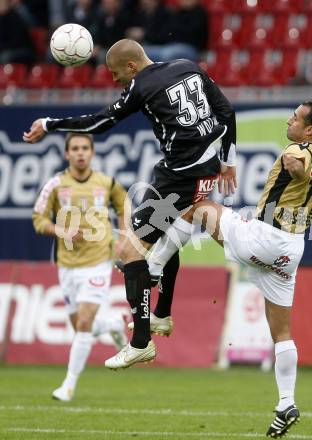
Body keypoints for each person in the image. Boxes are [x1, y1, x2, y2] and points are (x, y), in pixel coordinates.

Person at [144, 72, 312, 438]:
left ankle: (154, 266)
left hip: (265, 236)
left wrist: (297, 168)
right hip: (293, 249)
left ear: (309, 131)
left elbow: (298, 166)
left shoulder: (294, 151)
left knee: (201, 206)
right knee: (282, 332)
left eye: (297, 118)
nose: (290, 120)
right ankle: (286, 401)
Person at [23, 38, 237, 371]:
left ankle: (140, 343)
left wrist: (51, 124)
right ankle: (162, 315)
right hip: (202, 168)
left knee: (128, 251)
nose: (113, 80)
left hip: (180, 177)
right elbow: (225, 111)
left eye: (115, 72)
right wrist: (229, 160)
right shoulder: (187, 65)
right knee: (171, 235)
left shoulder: (142, 85)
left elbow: (101, 123)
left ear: (132, 66)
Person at [32, 132, 128, 401]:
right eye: (74, 148)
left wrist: (123, 238)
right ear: (67, 154)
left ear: (92, 152)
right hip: (67, 265)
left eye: (85, 148)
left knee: (84, 322)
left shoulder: (107, 183)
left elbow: (124, 206)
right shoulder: (54, 185)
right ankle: (114, 324)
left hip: (98, 261)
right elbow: (38, 219)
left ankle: (68, 386)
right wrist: (60, 231)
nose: (80, 153)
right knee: (80, 327)